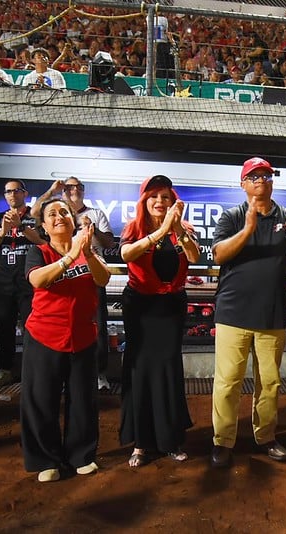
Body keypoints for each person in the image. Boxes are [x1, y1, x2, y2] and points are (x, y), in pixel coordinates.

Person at [209, 157, 286, 468]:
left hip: (272, 313)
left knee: (270, 383)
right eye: (254, 176)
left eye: (266, 175)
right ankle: (223, 441)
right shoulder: (231, 216)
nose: (260, 181)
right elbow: (218, 255)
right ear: (243, 184)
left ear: (272, 181)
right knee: (228, 382)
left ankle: (266, 436)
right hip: (232, 312)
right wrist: (248, 229)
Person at [20, 198, 111, 483]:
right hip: (44, 336)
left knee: (83, 400)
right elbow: (38, 280)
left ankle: (81, 456)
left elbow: (103, 279)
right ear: (44, 226)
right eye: (52, 214)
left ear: (74, 222)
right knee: (41, 400)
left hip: (82, 337)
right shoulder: (39, 252)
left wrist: (88, 253)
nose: (59, 216)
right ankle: (46, 460)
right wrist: (70, 256)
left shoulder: (86, 252)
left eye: (64, 212)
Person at [118, 175, 200, 466]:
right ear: (144, 200)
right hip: (140, 305)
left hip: (171, 305)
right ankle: (141, 443)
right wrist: (159, 233)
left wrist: (176, 229)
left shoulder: (184, 228)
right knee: (140, 368)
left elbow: (194, 257)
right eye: (154, 196)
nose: (160, 202)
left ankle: (170, 439)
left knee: (167, 368)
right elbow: (126, 254)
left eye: (165, 197)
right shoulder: (134, 227)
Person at [32, 177, 115, 390]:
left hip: (90, 274)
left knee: (98, 325)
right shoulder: (41, 251)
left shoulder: (95, 213)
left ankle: (99, 373)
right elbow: (35, 213)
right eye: (69, 187)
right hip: (48, 335)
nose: (74, 190)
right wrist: (51, 191)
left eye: (78, 186)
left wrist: (90, 232)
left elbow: (109, 245)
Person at [0, 179, 45, 386]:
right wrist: (3, 231)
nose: (12, 195)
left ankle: (33, 372)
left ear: (25, 194)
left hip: (28, 279)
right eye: (8, 192)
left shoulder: (34, 217)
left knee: (32, 326)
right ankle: (5, 370)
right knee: (4, 326)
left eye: (16, 191)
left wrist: (21, 227)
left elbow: (43, 242)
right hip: (2, 279)